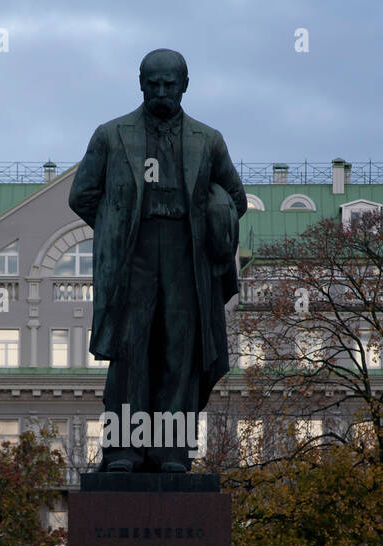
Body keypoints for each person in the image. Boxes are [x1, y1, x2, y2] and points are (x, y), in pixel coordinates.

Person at [69, 48, 246, 473]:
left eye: (171, 84)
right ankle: (122, 451)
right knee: (131, 351)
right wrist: (119, 222)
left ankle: (172, 452)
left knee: (178, 352)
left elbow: (234, 197)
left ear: (185, 85)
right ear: (141, 83)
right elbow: (82, 195)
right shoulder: (111, 135)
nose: (162, 91)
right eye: (154, 83)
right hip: (135, 252)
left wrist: (213, 216)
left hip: (187, 253)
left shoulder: (208, 139)